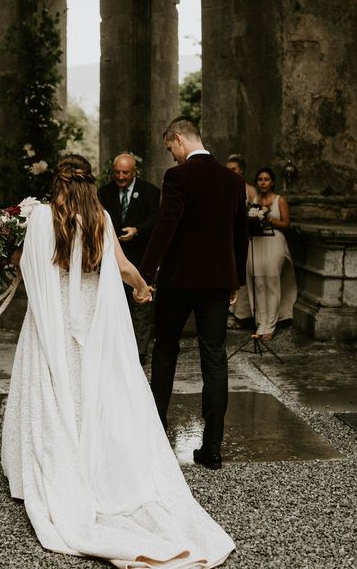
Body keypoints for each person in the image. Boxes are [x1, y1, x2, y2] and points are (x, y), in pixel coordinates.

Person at [1, 154, 235, 568]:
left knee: (55, 388)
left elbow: (25, 264)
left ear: (57, 182)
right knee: (94, 388)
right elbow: (124, 267)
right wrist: (144, 287)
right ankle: (98, 464)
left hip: (52, 322)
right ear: (91, 182)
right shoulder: (101, 218)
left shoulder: (40, 218)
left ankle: (51, 469)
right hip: (90, 318)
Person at [140, 118, 248, 471]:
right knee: (214, 357)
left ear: (178, 139)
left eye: (170, 149)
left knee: (166, 349)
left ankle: (154, 434)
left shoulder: (178, 177)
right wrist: (235, 281)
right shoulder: (233, 180)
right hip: (218, 281)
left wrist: (144, 274)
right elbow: (239, 235)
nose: (172, 156)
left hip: (179, 281)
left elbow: (166, 225)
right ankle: (212, 447)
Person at [98, 153, 160, 364]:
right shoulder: (104, 193)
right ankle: (117, 350)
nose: (121, 176)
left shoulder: (150, 191)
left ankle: (139, 353)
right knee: (114, 304)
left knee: (141, 304)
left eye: (125, 172)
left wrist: (137, 230)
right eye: (117, 172)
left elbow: (156, 218)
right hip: (112, 258)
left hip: (140, 256)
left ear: (134, 171)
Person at [247, 167, 297, 341]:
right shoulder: (253, 199)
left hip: (275, 242)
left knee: (272, 282)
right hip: (257, 242)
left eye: (266, 179)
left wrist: (268, 218)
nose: (263, 182)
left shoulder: (279, 200)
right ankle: (260, 323)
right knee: (258, 282)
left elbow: (286, 224)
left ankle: (271, 325)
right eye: (260, 179)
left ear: (272, 182)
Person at [225, 154, 256, 326]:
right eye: (228, 169)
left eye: (234, 169)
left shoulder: (250, 190)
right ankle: (233, 311)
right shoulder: (224, 187)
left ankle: (245, 313)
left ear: (241, 170)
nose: (230, 172)